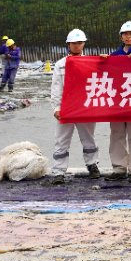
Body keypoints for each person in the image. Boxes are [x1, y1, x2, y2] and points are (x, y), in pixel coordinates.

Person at [49, 29, 100, 185]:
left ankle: (92, 165)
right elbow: (56, 88)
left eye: (79, 43)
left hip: (85, 107)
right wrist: (56, 108)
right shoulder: (61, 64)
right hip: (66, 108)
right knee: (61, 140)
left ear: (83, 44)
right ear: (68, 44)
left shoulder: (91, 62)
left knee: (89, 138)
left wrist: (104, 60)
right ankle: (58, 171)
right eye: (74, 43)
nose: (77, 46)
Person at [100, 21, 131, 182]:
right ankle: (119, 168)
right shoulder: (114, 55)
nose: (128, 37)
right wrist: (103, 60)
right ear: (121, 37)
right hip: (118, 101)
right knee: (117, 135)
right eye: (125, 34)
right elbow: (105, 73)